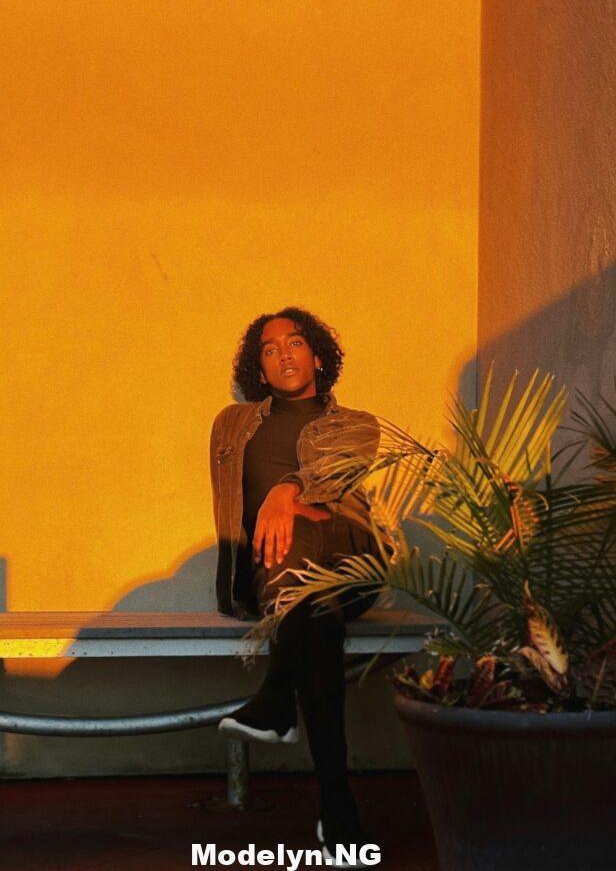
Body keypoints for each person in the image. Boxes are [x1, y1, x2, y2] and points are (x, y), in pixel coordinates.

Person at [209, 306, 385, 867]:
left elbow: (334, 475)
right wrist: (282, 512)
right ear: (259, 370)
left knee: (314, 532)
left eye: (295, 342)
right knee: (315, 618)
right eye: (269, 349)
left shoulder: (357, 422)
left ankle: (276, 697)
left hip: (352, 564)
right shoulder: (233, 424)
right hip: (278, 574)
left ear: (317, 357)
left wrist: (287, 493)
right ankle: (337, 807)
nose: (284, 354)